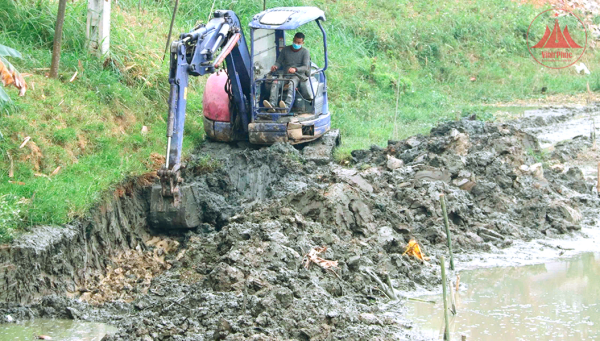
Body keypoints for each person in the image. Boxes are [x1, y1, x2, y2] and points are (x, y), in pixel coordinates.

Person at [264, 32, 310, 111]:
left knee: (291, 84)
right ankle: (272, 105)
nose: (296, 44)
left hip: (297, 76)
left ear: (302, 43)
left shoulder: (305, 52)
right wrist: (275, 66)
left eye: (298, 42)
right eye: (295, 41)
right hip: (285, 75)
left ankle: (286, 106)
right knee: (275, 83)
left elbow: (305, 67)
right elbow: (279, 61)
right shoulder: (285, 50)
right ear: (293, 40)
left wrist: (295, 69)